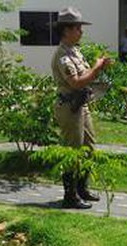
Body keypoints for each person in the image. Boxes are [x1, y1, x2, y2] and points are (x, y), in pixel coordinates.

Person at [51, 7, 111, 209]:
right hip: (69, 106)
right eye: (77, 28)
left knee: (88, 148)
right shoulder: (62, 55)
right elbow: (76, 82)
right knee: (73, 151)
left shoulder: (74, 51)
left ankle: (82, 188)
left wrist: (98, 68)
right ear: (66, 30)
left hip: (80, 105)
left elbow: (86, 78)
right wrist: (96, 68)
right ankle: (70, 195)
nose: (81, 31)